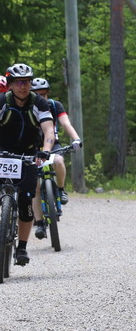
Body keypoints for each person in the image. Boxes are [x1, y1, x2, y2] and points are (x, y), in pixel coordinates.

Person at [0, 64, 55, 266]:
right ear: (11, 84)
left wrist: (45, 151)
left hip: (28, 155)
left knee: (26, 202)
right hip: (2, 153)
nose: (24, 87)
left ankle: (21, 248)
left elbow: (49, 130)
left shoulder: (39, 102)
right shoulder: (2, 101)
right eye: (19, 82)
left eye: (28, 82)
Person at [30, 78, 82, 239]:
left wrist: (76, 139)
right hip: (32, 147)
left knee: (59, 161)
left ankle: (60, 189)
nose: (42, 97)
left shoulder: (55, 105)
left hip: (53, 145)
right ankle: (39, 223)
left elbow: (66, 124)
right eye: (38, 94)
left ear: (48, 93)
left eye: (44, 94)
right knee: (34, 186)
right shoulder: (28, 107)